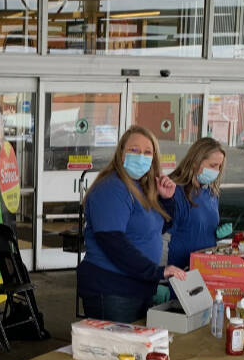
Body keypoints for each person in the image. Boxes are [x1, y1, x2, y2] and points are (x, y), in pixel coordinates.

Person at [77, 125, 188, 324]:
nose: (141, 156)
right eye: (134, 150)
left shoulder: (141, 187)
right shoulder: (112, 188)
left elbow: (157, 230)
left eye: (147, 152)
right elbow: (113, 242)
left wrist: (167, 200)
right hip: (113, 290)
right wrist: (156, 271)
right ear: (121, 154)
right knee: (115, 351)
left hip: (137, 288)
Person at [166, 138, 226, 268]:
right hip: (180, 269)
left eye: (219, 166)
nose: (216, 171)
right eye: (213, 165)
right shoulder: (174, 192)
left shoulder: (211, 193)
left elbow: (199, 228)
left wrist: (216, 234)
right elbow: (164, 237)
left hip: (207, 266)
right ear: (195, 162)